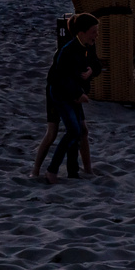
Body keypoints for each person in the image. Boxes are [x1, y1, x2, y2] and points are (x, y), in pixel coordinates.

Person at [32, 23, 100, 179]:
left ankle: (81, 170)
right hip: (59, 94)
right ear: (81, 32)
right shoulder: (67, 51)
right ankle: (37, 170)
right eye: (93, 31)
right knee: (53, 133)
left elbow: (95, 63)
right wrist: (77, 94)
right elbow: (59, 79)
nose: (96, 35)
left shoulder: (88, 46)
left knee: (81, 130)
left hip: (74, 93)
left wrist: (91, 71)